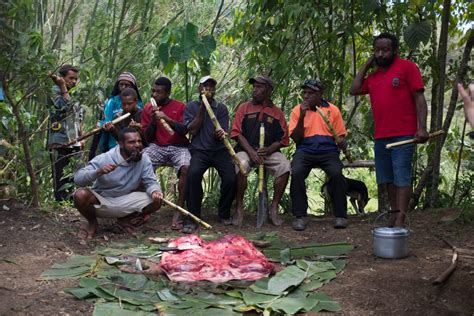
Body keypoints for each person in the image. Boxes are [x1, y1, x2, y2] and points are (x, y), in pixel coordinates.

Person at [349, 32, 429, 227]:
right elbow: (354, 89)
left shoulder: (407, 68)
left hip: (404, 134)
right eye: (377, 50)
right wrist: (367, 65)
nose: (381, 54)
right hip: (381, 136)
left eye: (385, 50)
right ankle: (394, 213)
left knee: (402, 175)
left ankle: (402, 217)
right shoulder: (374, 76)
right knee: (387, 178)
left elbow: (420, 99)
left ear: (394, 50)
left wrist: (422, 128)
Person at [74, 127, 163, 242]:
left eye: (139, 141)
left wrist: (155, 191)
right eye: (132, 142)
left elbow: (150, 181)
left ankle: (124, 220)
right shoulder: (105, 158)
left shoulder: (144, 159)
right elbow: (78, 179)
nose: (137, 145)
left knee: (157, 200)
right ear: (121, 144)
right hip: (103, 201)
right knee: (80, 195)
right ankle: (92, 222)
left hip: (126, 200)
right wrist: (98, 172)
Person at [231, 76, 291, 226]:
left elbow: (283, 139)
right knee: (241, 164)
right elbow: (236, 133)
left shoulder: (277, 112)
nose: (255, 90)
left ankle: (274, 207)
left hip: (268, 153)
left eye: (259, 87)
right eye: (254, 87)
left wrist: (269, 149)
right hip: (246, 150)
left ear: (269, 90)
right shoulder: (244, 107)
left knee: (284, 166)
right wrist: (252, 152)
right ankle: (239, 205)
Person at [289, 79, 349, 231]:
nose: (306, 96)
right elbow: (295, 138)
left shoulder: (333, 110)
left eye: (311, 93)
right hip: (305, 150)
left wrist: (342, 143)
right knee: (296, 172)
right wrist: (302, 116)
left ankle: (341, 215)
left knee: (336, 173)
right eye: (305, 93)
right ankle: (300, 216)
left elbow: (340, 136)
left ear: (320, 94)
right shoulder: (297, 110)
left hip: (328, 150)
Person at [182, 76, 236, 233]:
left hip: (219, 150)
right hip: (199, 150)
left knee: (230, 178)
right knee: (193, 175)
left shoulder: (221, 108)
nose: (209, 89)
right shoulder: (192, 107)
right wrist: (203, 107)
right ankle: (193, 217)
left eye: (212, 86)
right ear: (200, 89)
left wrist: (219, 134)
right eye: (206, 86)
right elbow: (192, 130)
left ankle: (224, 213)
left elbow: (222, 131)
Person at [141, 76, 190, 229]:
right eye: (153, 91)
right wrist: (154, 122)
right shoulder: (148, 108)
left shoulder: (181, 107)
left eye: (159, 92)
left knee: (186, 168)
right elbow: (146, 138)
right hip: (158, 146)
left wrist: (166, 118)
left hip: (180, 146)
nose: (154, 95)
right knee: (140, 160)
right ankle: (144, 207)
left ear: (168, 93)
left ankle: (179, 210)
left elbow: (185, 130)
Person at [48, 64, 83, 201]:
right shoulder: (55, 91)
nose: (74, 81)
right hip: (60, 141)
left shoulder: (73, 93)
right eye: (70, 78)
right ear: (62, 78)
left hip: (74, 141)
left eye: (75, 79)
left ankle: (73, 200)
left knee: (75, 174)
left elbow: (78, 117)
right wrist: (62, 87)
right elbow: (66, 108)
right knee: (60, 174)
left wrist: (81, 137)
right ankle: (60, 202)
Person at [96, 72, 143, 155]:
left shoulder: (139, 104)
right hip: (114, 139)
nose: (123, 87)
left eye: (127, 85)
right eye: (121, 84)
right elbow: (108, 120)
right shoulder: (111, 101)